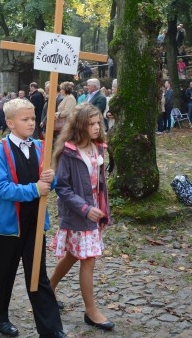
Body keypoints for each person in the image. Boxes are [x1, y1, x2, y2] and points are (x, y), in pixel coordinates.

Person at [0, 98, 66, 338]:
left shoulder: (41, 148)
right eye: (25, 119)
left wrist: (51, 179)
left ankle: (51, 329)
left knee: (38, 274)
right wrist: (34, 189)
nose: (31, 123)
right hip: (10, 224)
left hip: (35, 221)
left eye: (33, 118)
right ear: (10, 123)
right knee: (4, 271)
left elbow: (48, 184)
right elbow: (1, 188)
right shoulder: (0, 151)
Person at [50, 103, 114, 332]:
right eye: (91, 124)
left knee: (72, 256)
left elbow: (100, 185)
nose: (97, 127)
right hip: (79, 215)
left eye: (98, 123)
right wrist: (85, 209)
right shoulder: (69, 152)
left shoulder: (98, 148)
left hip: (95, 212)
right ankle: (91, 311)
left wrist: (103, 211)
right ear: (80, 126)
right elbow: (63, 188)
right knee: (88, 260)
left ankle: (49, 288)